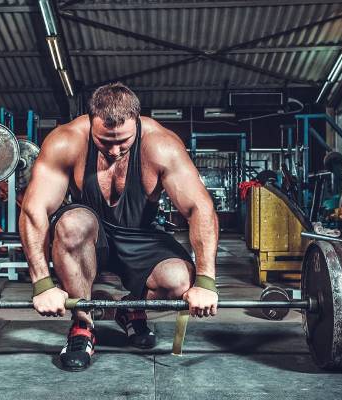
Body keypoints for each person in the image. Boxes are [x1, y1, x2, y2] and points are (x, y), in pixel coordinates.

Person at [19, 82, 218, 371]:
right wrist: (42, 283)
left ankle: (132, 310)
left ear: (137, 121)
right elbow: (34, 208)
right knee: (71, 223)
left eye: (123, 141)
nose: (114, 150)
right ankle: (83, 326)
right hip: (90, 230)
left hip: (140, 235)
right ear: (90, 123)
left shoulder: (161, 145)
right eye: (104, 141)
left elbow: (199, 208)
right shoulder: (66, 141)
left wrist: (206, 282)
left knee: (179, 281)